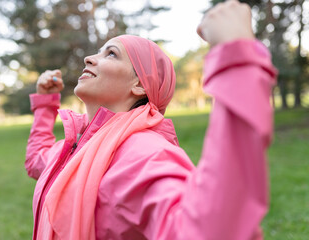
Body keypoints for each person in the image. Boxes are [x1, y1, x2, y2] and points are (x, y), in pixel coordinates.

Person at [25, 1, 277, 239]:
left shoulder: (144, 155)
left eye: (111, 54)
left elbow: (210, 230)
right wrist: (46, 104)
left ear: (139, 84)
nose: (89, 58)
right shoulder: (76, 145)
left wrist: (236, 60)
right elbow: (38, 160)